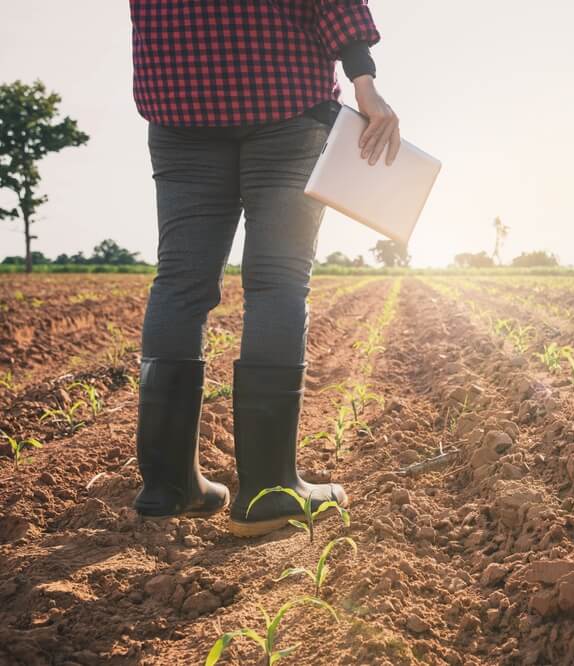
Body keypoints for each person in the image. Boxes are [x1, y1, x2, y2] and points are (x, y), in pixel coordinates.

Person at [128, 0, 398, 537]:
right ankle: (268, 490)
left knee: (179, 282)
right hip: (282, 93)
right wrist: (363, 79)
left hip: (177, 97)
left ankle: (165, 484)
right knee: (277, 282)